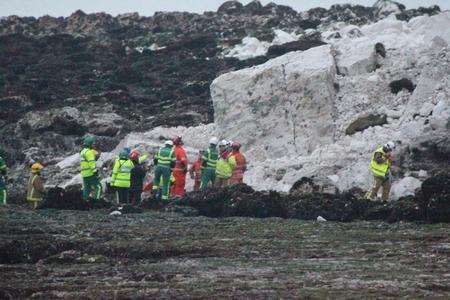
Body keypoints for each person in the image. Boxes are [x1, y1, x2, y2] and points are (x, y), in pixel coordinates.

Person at [80, 136, 102, 201]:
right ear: (89, 144)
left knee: (86, 188)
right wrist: (95, 171)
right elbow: (91, 162)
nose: (93, 145)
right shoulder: (89, 152)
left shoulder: (82, 152)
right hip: (91, 173)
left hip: (84, 174)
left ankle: (85, 201)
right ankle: (96, 201)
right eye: (92, 144)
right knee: (98, 187)